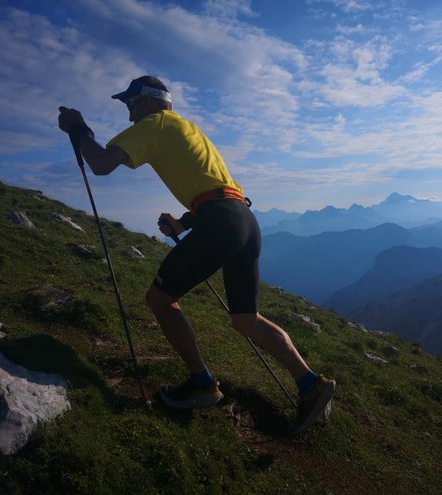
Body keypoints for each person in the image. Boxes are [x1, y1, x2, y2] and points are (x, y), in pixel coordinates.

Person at [58, 76, 335, 434]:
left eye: (130, 102)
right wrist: (185, 223)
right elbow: (215, 190)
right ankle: (310, 383)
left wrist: (78, 128)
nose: (128, 110)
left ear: (147, 102)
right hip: (244, 220)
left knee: (160, 300)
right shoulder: (190, 130)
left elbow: (101, 163)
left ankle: (202, 382)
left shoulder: (153, 124)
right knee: (245, 318)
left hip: (219, 221)